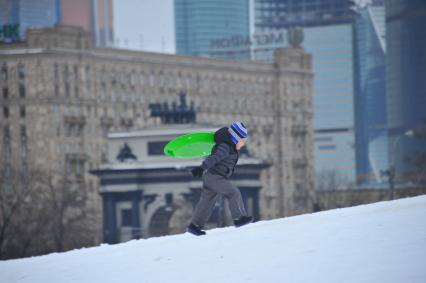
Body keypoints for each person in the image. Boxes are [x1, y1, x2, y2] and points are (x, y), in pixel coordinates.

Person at [187, 121, 253, 236]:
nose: (243, 144)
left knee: (207, 203)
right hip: (215, 177)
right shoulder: (225, 146)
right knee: (233, 192)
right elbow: (214, 158)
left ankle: (195, 226)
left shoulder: (229, 146)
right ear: (236, 137)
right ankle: (239, 218)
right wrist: (201, 167)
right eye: (243, 140)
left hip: (213, 177)